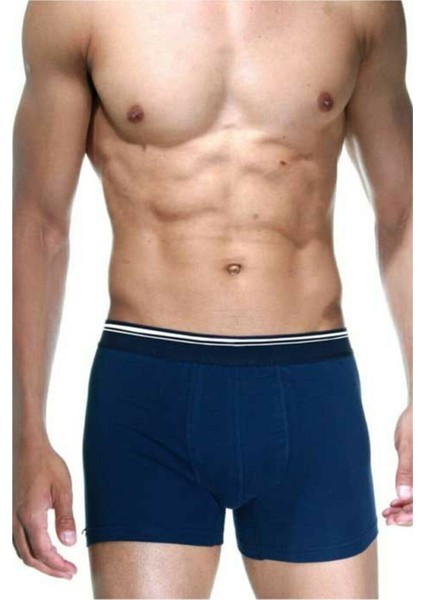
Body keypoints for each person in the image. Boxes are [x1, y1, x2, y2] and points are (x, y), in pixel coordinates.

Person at [12, 1, 413, 598]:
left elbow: (403, 210)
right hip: (149, 393)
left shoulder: (360, 8)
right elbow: (41, 224)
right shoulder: (79, 8)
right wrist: (27, 435)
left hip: (311, 389)